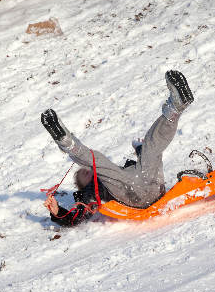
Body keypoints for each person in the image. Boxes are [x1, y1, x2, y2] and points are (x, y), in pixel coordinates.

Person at [42, 70, 194, 226]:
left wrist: (140, 149)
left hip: (154, 186)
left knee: (151, 147)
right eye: (85, 175)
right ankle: (67, 142)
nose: (88, 172)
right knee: (98, 161)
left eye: (86, 170)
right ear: (84, 186)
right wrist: (57, 212)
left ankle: (175, 107)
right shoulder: (91, 193)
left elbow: (143, 163)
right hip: (131, 197)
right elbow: (75, 219)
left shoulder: (118, 172)